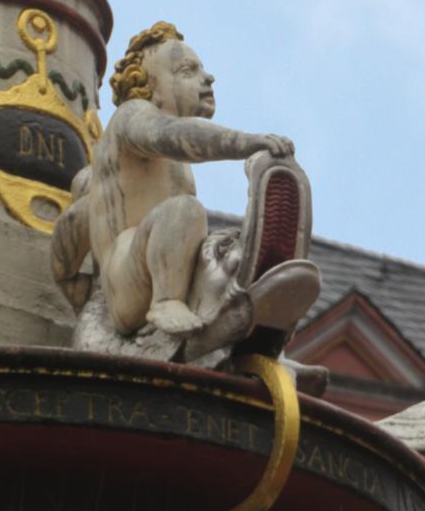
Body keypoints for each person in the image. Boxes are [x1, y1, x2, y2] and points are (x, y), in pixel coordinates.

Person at [83, 22, 293, 336]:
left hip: (147, 267)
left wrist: (72, 284)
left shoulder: (145, 163)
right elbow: (175, 136)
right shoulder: (133, 115)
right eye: (186, 71)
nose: (207, 77)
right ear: (147, 87)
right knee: (185, 209)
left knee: (224, 249)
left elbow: (73, 220)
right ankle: (165, 302)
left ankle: (255, 334)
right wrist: (247, 142)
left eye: (202, 69)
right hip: (129, 283)